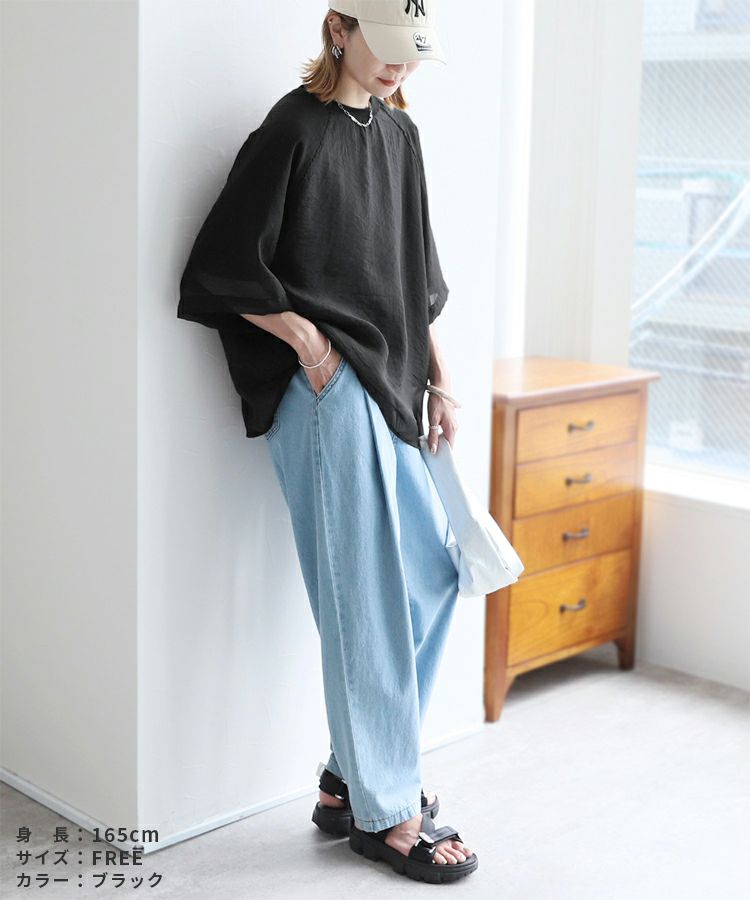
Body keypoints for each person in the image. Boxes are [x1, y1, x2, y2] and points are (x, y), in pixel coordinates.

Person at [177, 1, 478, 884]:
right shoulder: (292, 130)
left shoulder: (400, 137)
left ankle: (353, 779)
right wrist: (309, 344)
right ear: (339, 29)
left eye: (412, 55)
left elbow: (414, 280)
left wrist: (441, 379)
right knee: (365, 599)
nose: (399, 69)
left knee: (430, 577)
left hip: (393, 385)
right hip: (330, 396)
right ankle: (388, 812)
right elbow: (218, 266)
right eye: (387, 49)